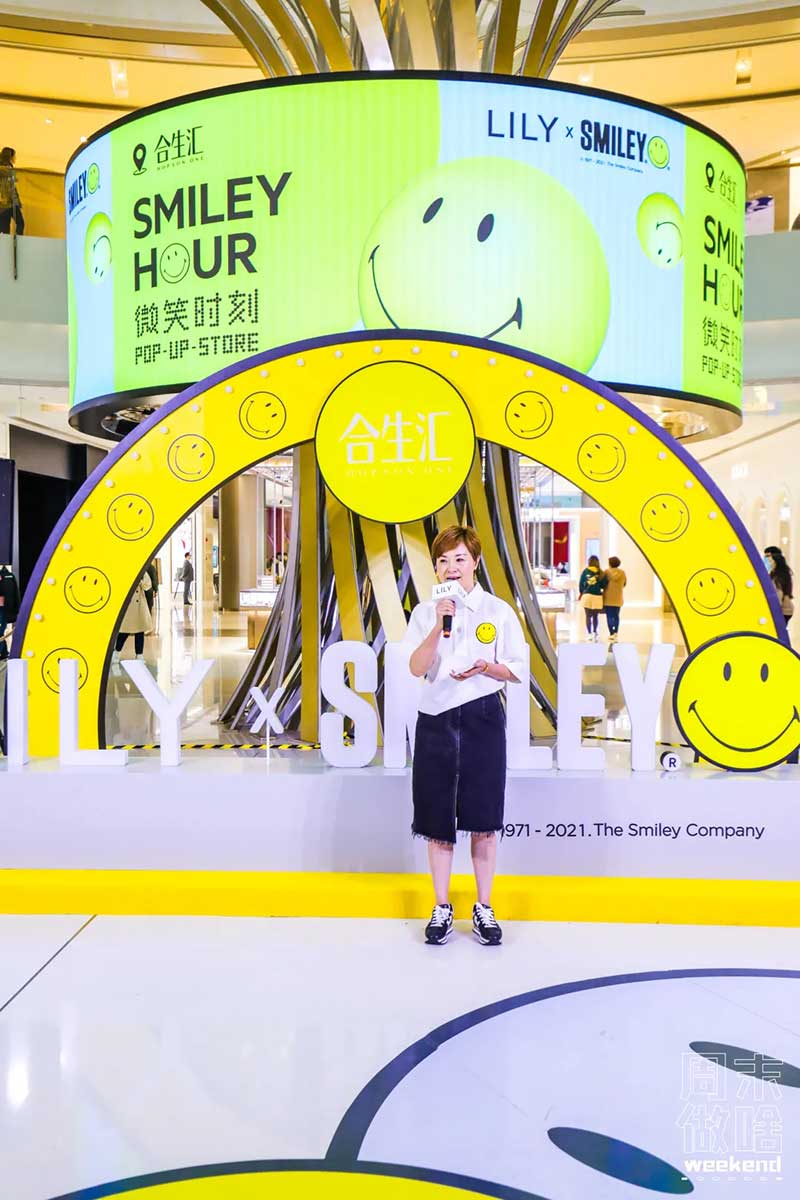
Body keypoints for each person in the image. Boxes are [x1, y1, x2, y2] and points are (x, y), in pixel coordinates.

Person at [405, 524, 526, 947]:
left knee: (483, 819)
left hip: (483, 716)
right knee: (437, 821)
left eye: (459, 558)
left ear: (475, 562)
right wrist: (438, 626)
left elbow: (517, 668)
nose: (451, 567)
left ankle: (483, 906)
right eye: (443, 560)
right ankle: (441, 906)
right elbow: (416, 667)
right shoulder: (426, 612)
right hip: (435, 717)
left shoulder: (498, 610)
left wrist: (486, 668)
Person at [111, 573, 152, 663]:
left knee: (139, 631)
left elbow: (148, 585)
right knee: (124, 631)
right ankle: (116, 653)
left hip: (139, 605)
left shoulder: (143, 572)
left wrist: (140, 581)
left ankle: (139, 655)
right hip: (127, 605)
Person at [764, 545, 794, 625]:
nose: (766, 559)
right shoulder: (774, 573)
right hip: (784, 609)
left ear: (775, 557)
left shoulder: (779, 575)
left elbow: (778, 595)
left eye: (768, 556)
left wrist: (773, 610)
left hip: (783, 610)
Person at [578, 554, 605, 641]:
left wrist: (581, 592)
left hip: (587, 596)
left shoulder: (585, 571)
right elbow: (604, 584)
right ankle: (595, 631)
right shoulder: (601, 572)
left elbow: (581, 583)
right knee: (595, 616)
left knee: (588, 616)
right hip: (597, 596)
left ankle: (589, 633)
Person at [603, 556, 627, 643]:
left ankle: (611, 633)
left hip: (608, 598)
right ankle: (616, 632)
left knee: (609, 616)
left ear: (610, 563)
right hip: (618, 598)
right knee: (616, 616)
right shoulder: (622, 573)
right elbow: (624, 584)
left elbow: (603, 583)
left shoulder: (606, 572)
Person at [0, 148, 24, 235]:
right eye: (14, 156)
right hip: (8, 203)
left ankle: (10, 242)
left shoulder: (8, 170)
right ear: (10, 157)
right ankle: (17, 241)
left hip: (6, 204)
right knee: (20, 223)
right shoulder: (7, 170)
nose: (15, 158)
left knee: (5, 228)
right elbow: (11, 189)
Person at [0, 564, 20, 659]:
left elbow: (15, 593)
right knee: (1, 630)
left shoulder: (9, 576)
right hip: (6, 608)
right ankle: (4, 652)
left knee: (1, 630)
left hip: (4, 609)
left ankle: (3, 652)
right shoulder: (10, 576)